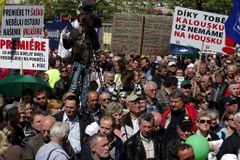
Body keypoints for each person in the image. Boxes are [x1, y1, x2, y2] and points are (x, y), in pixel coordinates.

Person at [63, 12, 100, 106]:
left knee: (86, 86)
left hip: (87, 62)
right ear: (79, 22)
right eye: (82, 21)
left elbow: (96, 47)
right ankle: (69, 103)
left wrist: (93, 37)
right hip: (77, 62)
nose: (84, 23)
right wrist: (64, 40)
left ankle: (83, 106)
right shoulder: (75, 32)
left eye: (86, 20)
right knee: (74, 85)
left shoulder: (92, 32)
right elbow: (67, 46)